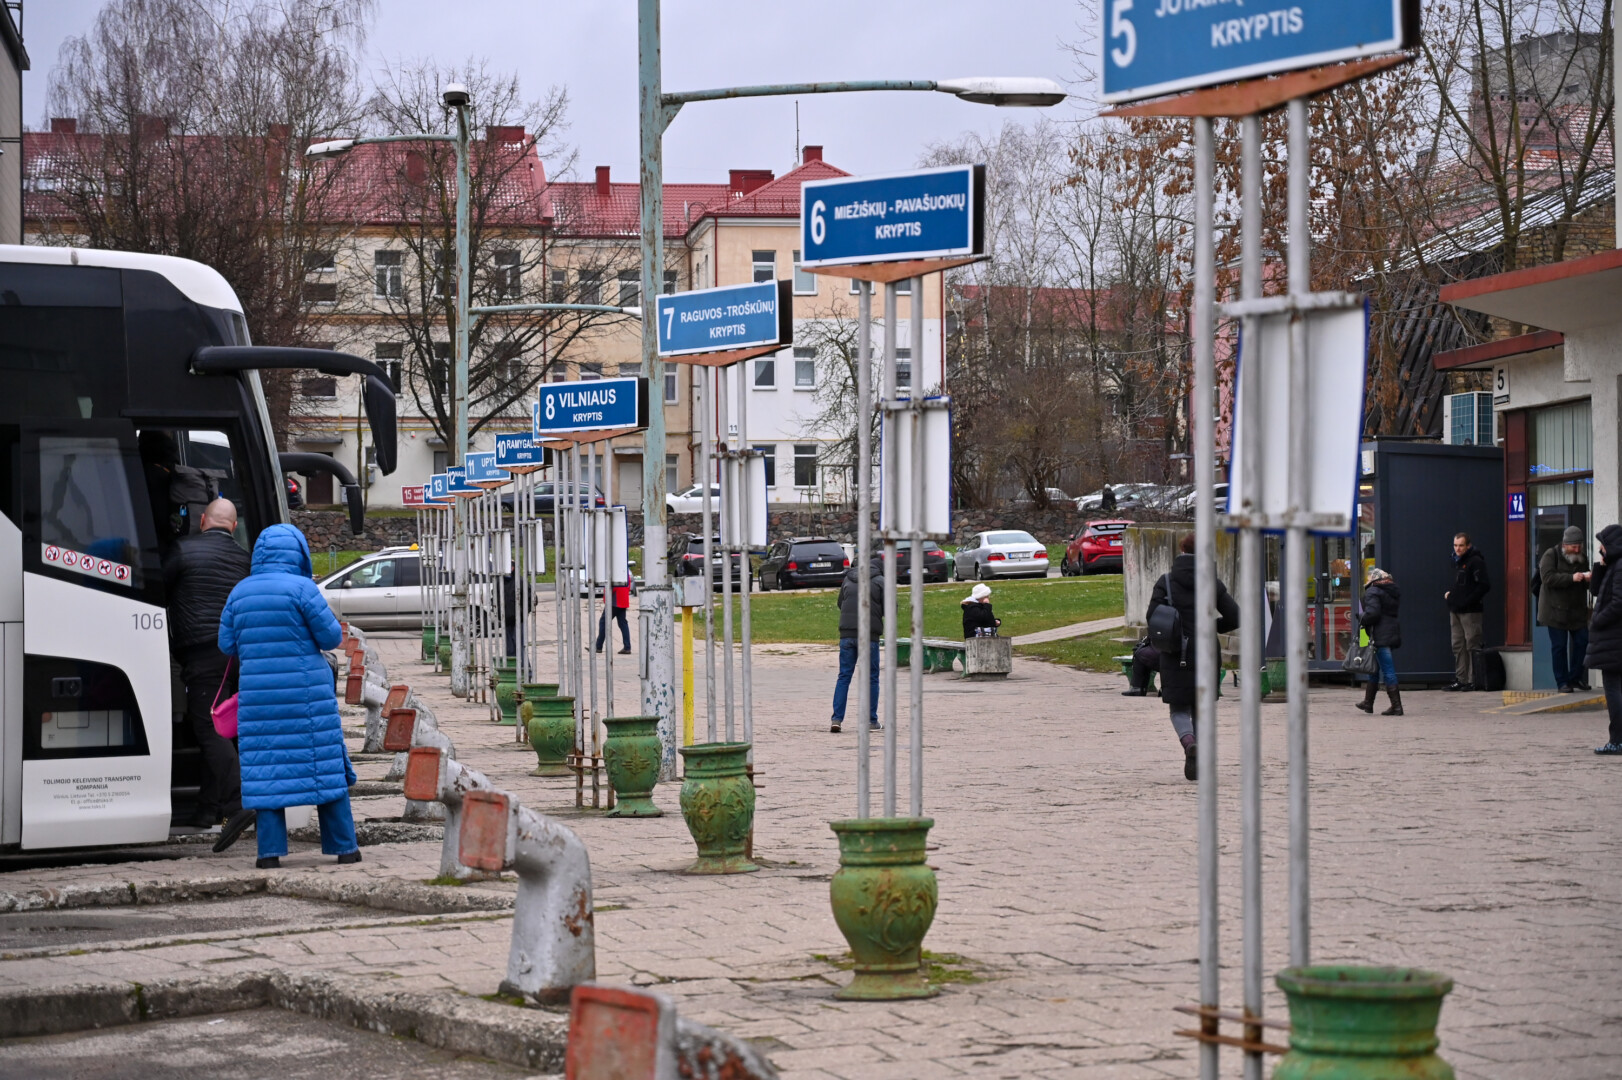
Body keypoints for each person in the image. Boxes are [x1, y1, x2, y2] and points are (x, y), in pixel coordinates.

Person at [217, 524, 360, 869]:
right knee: (324, 768)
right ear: (299, 553)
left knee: (266, 772)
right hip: (307, 696)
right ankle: (344, 848)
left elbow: (226, 644)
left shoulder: (240, 592)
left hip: (259, 699)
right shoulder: (302, 588)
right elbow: (330, 638)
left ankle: (269, 854)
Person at [163, 498, 252, 840]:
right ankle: (206, 809)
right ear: (232, 527)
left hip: (202, 654)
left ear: (202, 521)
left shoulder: (181, 550)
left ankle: (238, 803)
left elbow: (159, 592)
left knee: (209, 732)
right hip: (238, 657)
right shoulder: (245, 559)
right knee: (223, 726)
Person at [1146, 533, 1239, 781]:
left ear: (1181, 551)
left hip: (1176, 654)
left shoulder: (1165, 582)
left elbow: (1152, 617)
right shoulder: (1213, 583)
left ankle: (1189, 744)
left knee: (1178, 708)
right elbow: (1235, 616)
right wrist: (1213, 627)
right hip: (1207, 652)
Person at [831, 555, 883, 734]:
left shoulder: (847, 580)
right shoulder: (879, 581)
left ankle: (836, 719)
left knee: (844, 676)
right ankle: (871, 720)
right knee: (872, 677)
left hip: (847, 634)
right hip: (869, 635)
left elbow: (840, 603)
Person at [1538, 526, 1592, 693]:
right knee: (1559, 646)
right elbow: (1547, 578)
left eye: (1579, 546)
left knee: (1583, 642)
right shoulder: (1551, 555)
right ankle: (1562, 682)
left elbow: (1585, 583)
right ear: (1564, 544)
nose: (1576, 550)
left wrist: (1588, 578)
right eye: (1573, 547)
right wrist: (1571, 578)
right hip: (1555, 610)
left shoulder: (1582, 558)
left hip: (1576, 610)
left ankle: (1575, 677)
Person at [1585, 525, 1622, 755]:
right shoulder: (1613, 566)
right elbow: (1597, 589)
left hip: (1614, 639)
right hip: (1613, 640)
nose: (1600, 549)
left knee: (1613, 689)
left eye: (1602, 545)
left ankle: (1617, 740)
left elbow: (1619, 602)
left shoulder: (1620, 568)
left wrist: (1598, 620)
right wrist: (1600, 565)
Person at [1444, 531, 1490, 691]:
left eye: (1461, 545)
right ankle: (1461, 678)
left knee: (1472, 644)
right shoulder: (1456, 561)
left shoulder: (1476, 561)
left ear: (1468, 546)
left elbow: (1484, 585)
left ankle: (1473, 679)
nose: (1458, 549)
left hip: (1470, 610)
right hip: (1456, 609)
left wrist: (1466, 600)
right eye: (1455, 545)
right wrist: (1451, 595)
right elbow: (1459, 584)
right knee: (1458, 645)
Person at [1355, 568, 1403, 716]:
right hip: (1389, 632)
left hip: (1378, 635)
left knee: (1388, 670)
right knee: (1373, 669)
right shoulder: (1391, 592)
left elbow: (1373, 613)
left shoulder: (1373, 592)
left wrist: (1361, 616)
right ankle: (1368, 703)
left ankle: (1396, 706)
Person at [596, 580, 632, 654]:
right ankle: (627, 647)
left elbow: (612, 587)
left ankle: (598, 646)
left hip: (614, 601)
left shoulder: (615, 570)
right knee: (623, 623)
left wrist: (606, 597)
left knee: (603, 622)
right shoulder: (625, 570)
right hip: (623, 599)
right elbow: (628, 585)